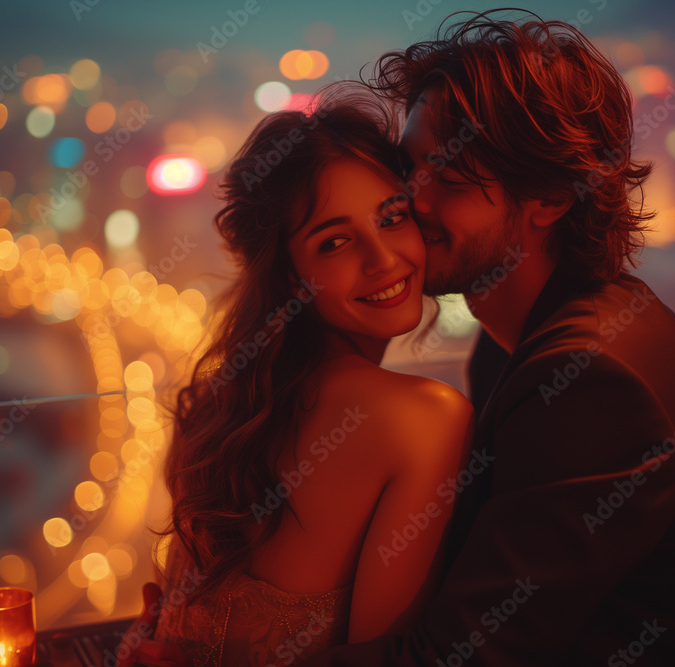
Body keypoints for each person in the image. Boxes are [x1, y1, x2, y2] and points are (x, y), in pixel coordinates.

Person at [298, 9, 675, 665]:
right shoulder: (529, 337)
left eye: (446, 175)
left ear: (550, 198)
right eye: (407, 168)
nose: (410, 202)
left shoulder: (589, 378)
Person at [120, 86, 475, 666]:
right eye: (334, 242)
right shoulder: (424, 418)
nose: (382, 258)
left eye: (392, 217)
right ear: (290, 277)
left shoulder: (221, 400)